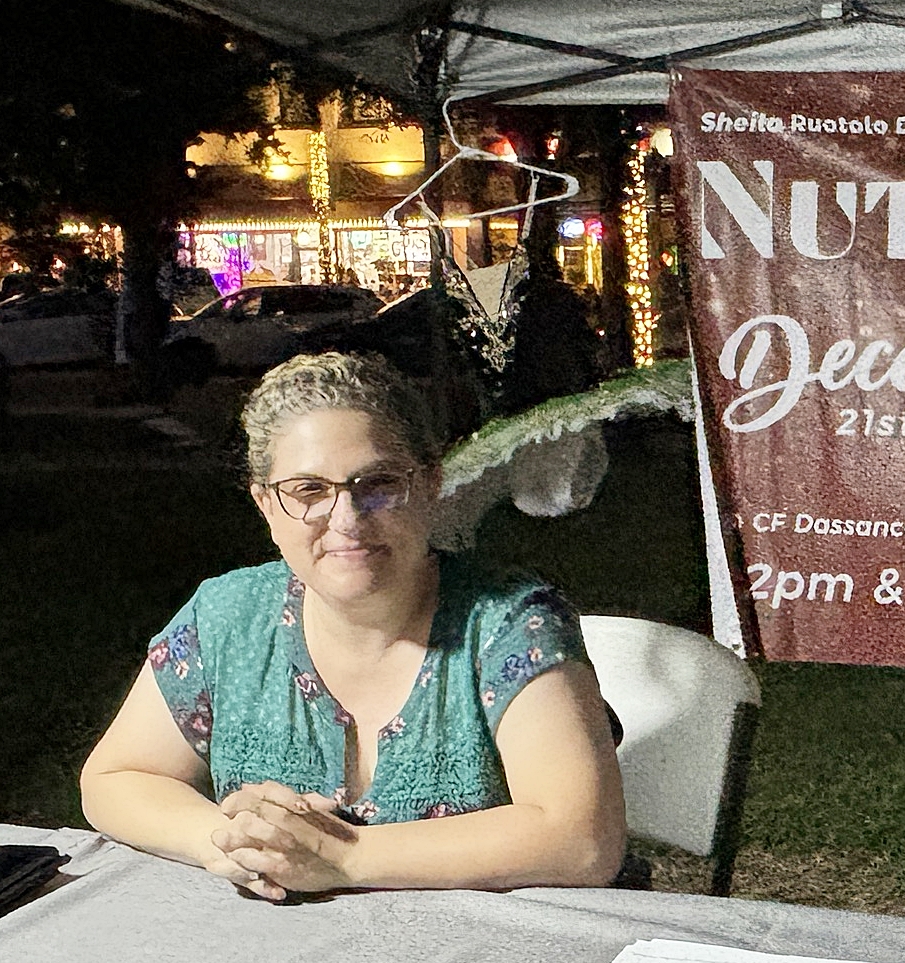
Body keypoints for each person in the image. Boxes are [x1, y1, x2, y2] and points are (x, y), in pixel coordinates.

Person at [82, 352, 626, 900]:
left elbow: (581, 840)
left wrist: (344, 856)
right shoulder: (228, 618)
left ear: (431, 484)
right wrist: (236, 842)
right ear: (265, 504)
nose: (347, 519)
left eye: (378, 483)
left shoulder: (509, 623)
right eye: (308, 491)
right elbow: (116, 778)